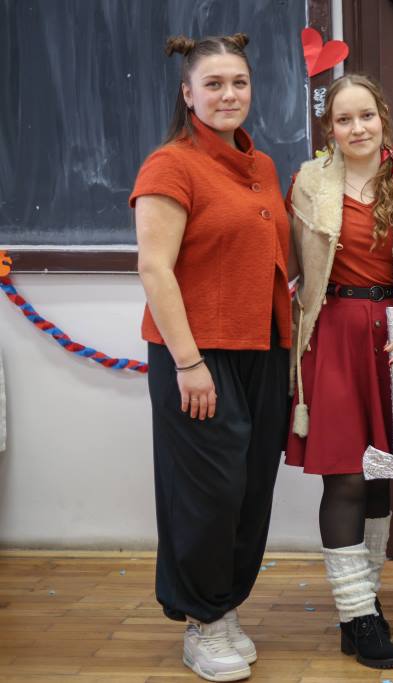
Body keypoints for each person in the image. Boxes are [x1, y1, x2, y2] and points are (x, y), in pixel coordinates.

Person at [131, 33, 291, 682]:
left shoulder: (263, 165)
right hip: (198, 355)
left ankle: (225, 606)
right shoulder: (169, 165)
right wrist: (189, 362)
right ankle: (202, 619)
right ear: (188, 92)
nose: (229, 95)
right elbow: (154, 268)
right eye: (215, 84)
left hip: (264, 350)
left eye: (239, 82)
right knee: (208, 493)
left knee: (251, 488)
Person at [284, 73, 393, 670]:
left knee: (378, 476)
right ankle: (358, 614)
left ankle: (361, 609)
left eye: (365, 116)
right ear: (330, 128)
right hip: (334, 334)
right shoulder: (308, 181)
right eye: (343, 119)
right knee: (345, 476)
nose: (357, 128)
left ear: (383, 117)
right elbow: (289, 264)